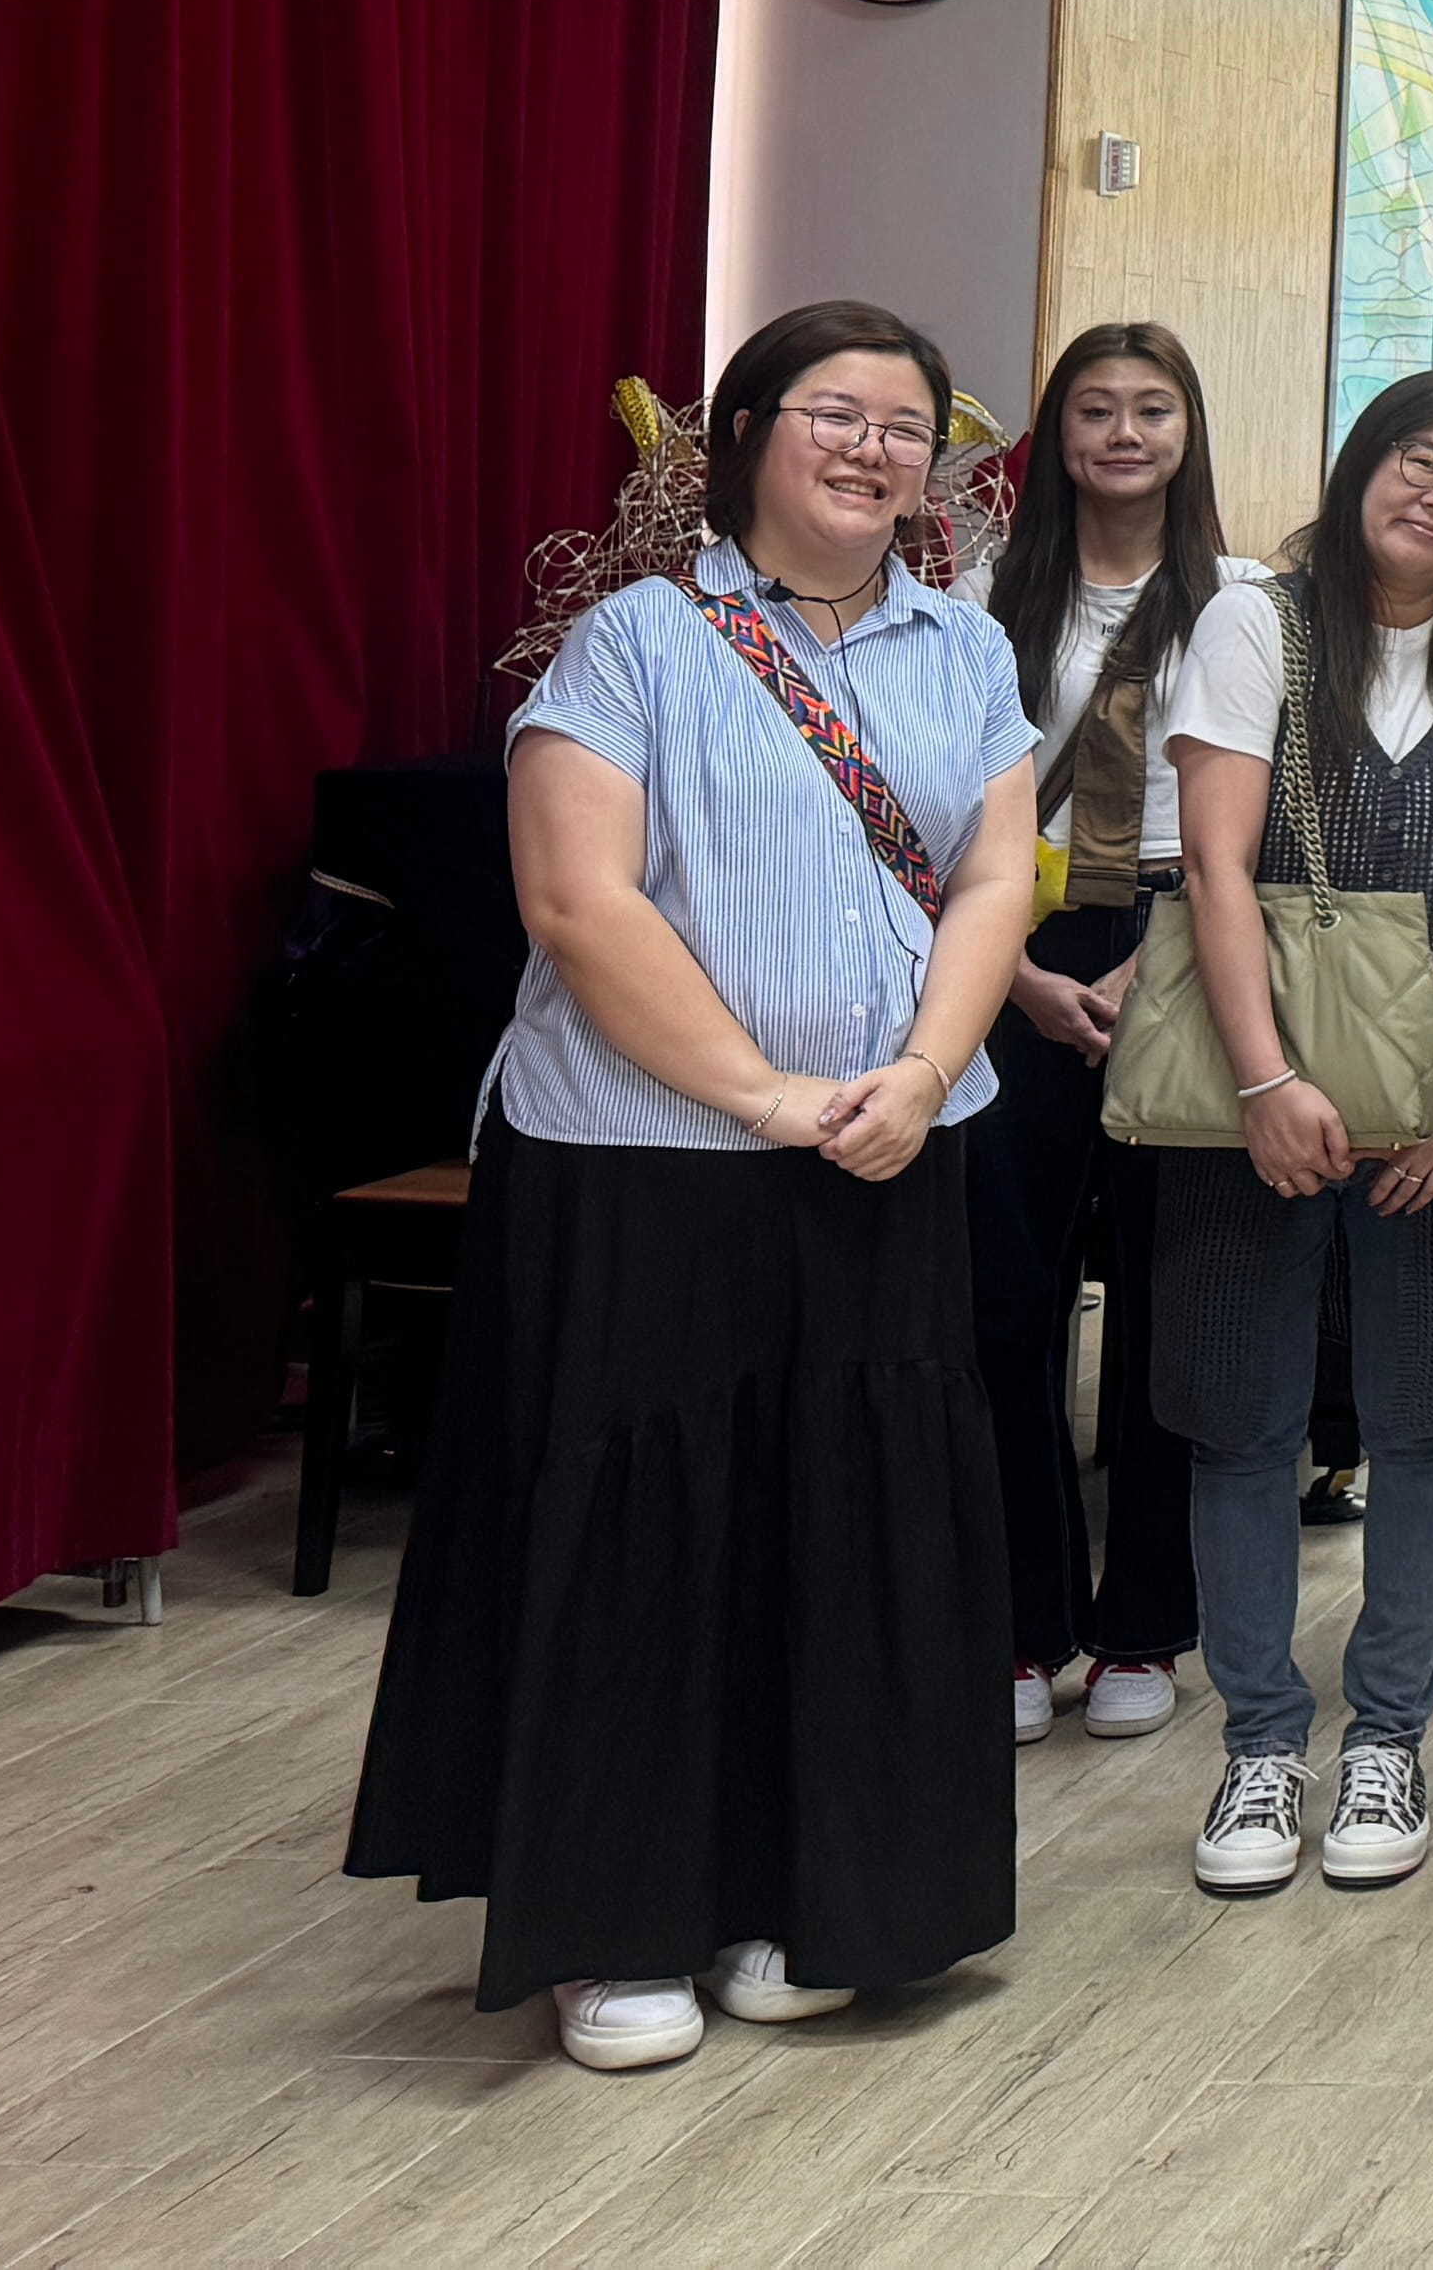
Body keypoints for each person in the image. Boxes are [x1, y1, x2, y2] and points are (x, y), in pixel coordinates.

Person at [347, 302, 1036, 2071]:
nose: (874, 447)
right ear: (741, 435)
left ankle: (819, 1897)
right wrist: (767, 1092)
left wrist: (916, 1073)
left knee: (849, 1520)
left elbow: (990, 880)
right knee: (646, 1527)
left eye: (907, 426)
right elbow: (579, 902)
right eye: (834, 411)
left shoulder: (965, 649)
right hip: (641, 1161)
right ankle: (614, 1924)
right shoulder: (633, 638)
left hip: (892, 1148)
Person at [1152, 369, 1433, 1904]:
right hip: (1247, 1099)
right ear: (1363, 462)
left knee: (1423, 1412)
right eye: (1419, 459)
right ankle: (1262, 1744)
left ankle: (1387, 1735)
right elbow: (1211, 867)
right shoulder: (1253, 623)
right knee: (1243, 1415)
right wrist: (1267, 1081)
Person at [973, 321, 1251, 1743]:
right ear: (1058, 435)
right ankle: (1020, 1627)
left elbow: (1261, 816)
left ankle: (1144, 1624)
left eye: (1152, 409)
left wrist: (1165, 957)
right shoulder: (980, 593)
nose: (1124, 434)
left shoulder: (1245, 605)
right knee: (1004, 1297)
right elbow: (941, 803)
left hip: (1186, 942)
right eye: (1095, 410)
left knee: (1164, 1298)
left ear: (1189, 432)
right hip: (1011, 948)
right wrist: (1015, 971)